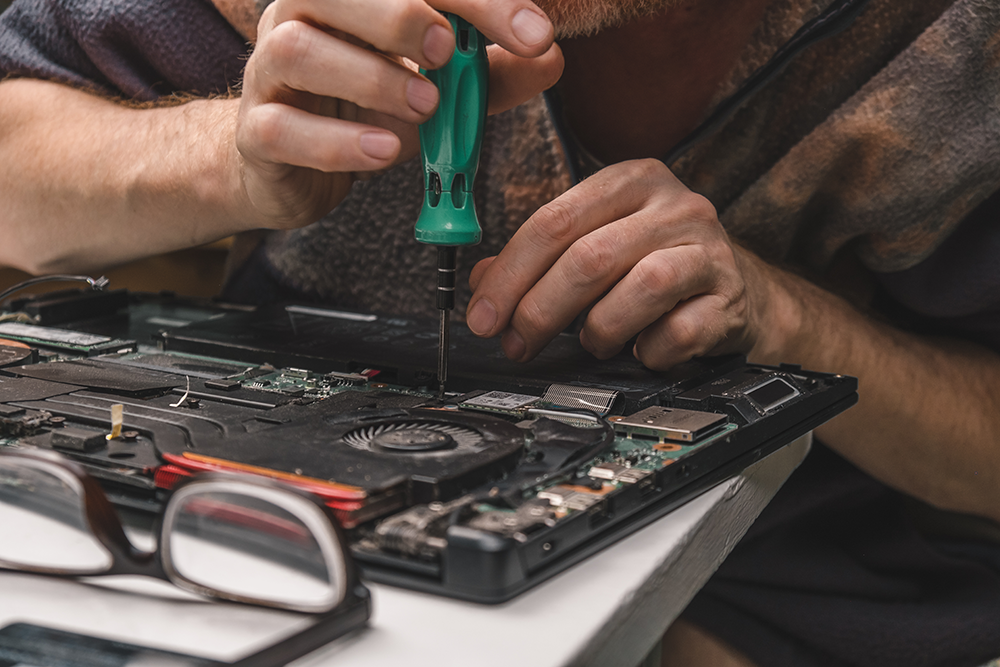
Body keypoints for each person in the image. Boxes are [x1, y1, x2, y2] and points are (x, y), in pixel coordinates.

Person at [2, 0, 1000, 664]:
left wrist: (793, 319)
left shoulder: (949, 48)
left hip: (794, 603)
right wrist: (229, 156)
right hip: (245, 553)